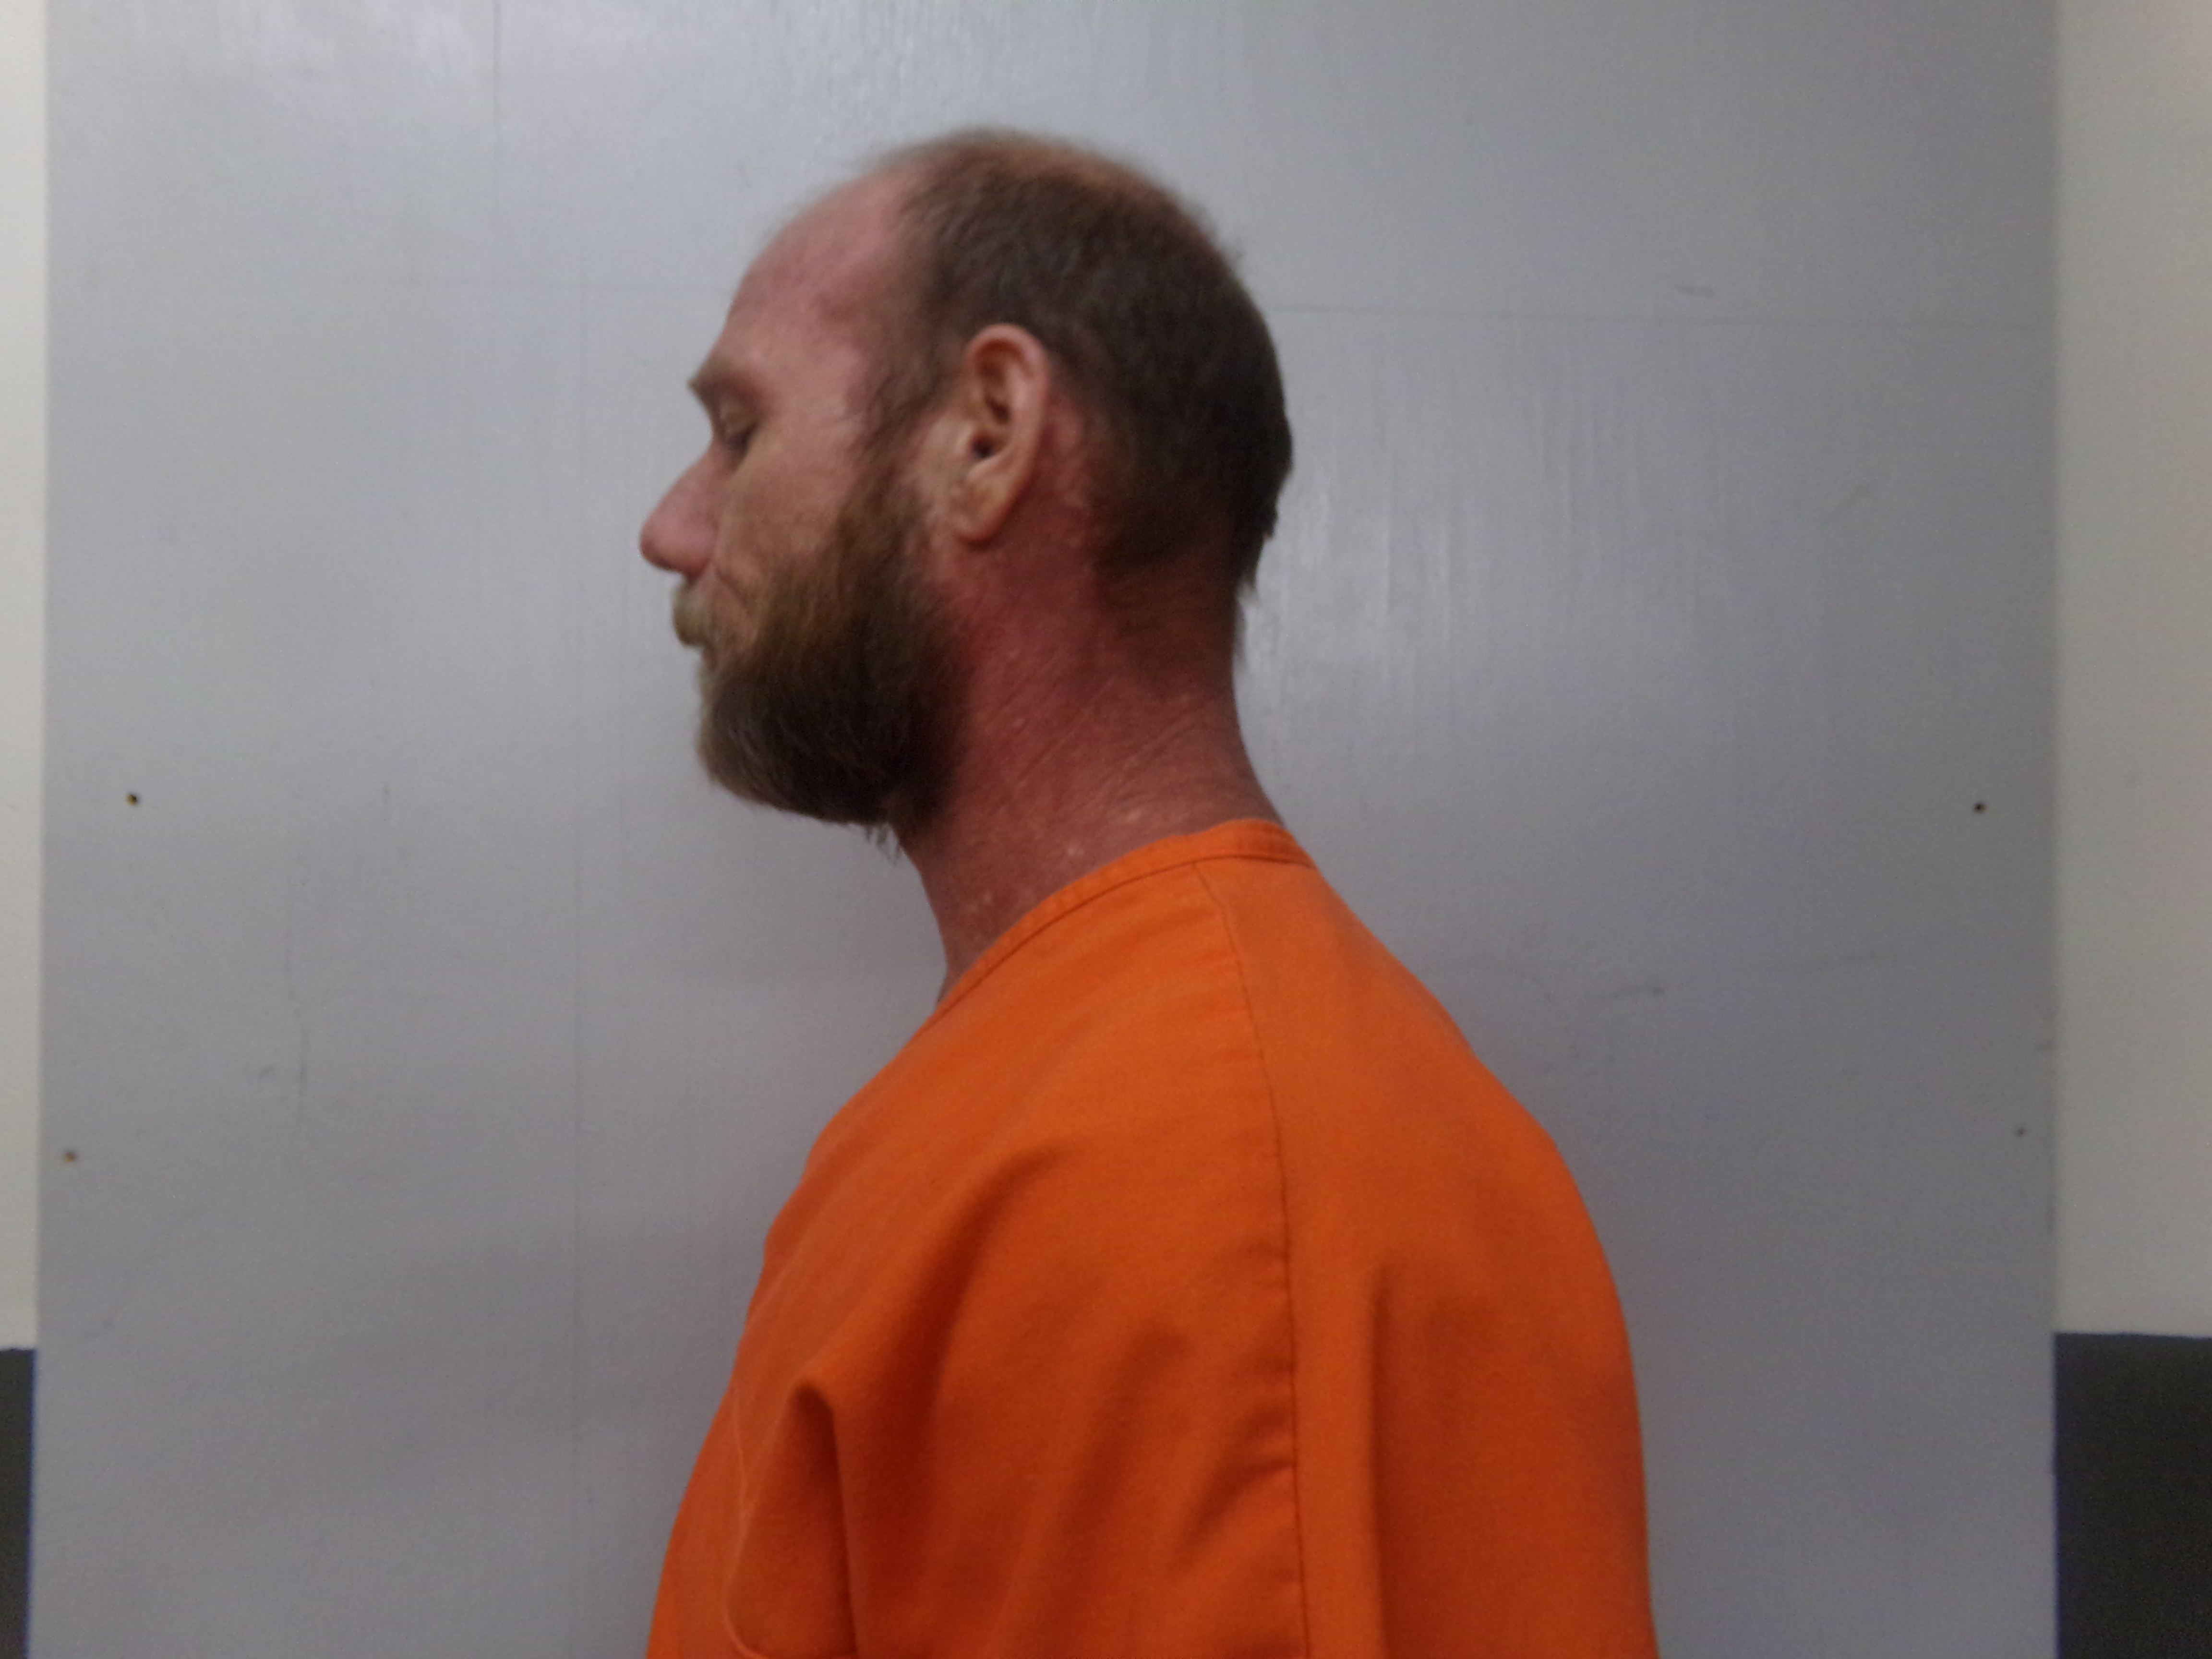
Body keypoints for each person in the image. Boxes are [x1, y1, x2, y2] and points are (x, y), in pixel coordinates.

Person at [637, 129, 1658, 1659]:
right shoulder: (1093, 1089)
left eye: (741, 430)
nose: (675, 527)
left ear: (988, 433)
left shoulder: (1175, 1166)